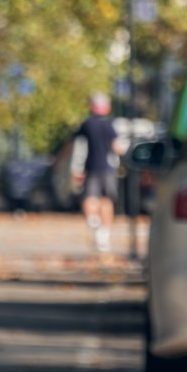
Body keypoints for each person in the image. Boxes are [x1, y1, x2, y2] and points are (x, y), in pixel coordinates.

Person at [76, 93, 122, 252]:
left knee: (89, 198)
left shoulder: (87, 124)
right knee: (106, 200)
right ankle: (104, 236)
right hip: (108, 168)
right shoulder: (110, 125)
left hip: (91, 167)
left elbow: (76, 143)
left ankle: (93, 220)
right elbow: (117, 147)